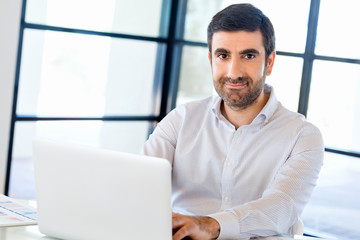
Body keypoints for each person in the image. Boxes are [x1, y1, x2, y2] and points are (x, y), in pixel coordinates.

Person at [142, 3, 324, 240]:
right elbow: (142, 184)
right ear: (211, 60)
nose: (234, 72)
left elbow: (281, 209)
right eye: (223, 55)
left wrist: (211, 225)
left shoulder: (303, 136)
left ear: (269, 62)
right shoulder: (181, 119)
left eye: (248, 56)